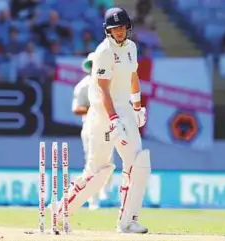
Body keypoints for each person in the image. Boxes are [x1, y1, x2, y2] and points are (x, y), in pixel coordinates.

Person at [58, 7, 150, 233]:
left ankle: (127, 222)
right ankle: (60, 213)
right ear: (108, 30)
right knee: (98, 172)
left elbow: (133, 76)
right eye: (114, 28)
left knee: (139, 162)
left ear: (128, 27)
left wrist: (137, 107)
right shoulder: (103, 52)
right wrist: (113, 118)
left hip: (125, 111)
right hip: (102, 115)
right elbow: (102, 89)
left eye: (122, 27)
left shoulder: (131, 47)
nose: (119, 32)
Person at [72, 52, 110, 210]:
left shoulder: (109, 84)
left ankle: (103, 190)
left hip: (107, 126)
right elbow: (76, 109)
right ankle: (93, 200)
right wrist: (92, 108)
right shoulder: (83, 86)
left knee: (109, 161)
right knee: (91, 162)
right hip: (90, 126)